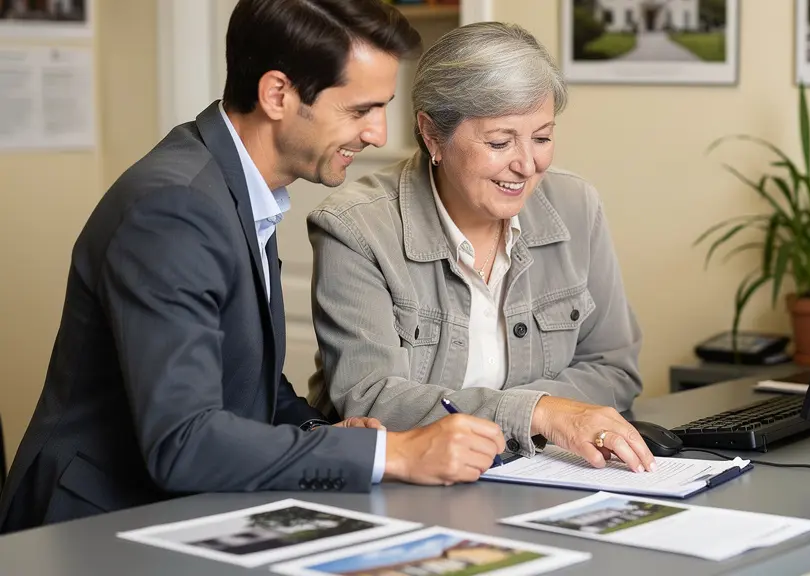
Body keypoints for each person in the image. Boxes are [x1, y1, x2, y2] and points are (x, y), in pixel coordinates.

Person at [0, 0, 506, 534]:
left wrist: (326, 433)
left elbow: (241, 374)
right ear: (277, 94)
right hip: (89, 529)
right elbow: (183, 442)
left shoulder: (232, 184)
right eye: (360, 110)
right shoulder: (174, 208)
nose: (378, 134)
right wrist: (394, 454)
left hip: (171, 513)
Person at [306, 22, 655, 473]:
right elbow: (372, 397)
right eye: (500, 142)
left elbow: (614, 368)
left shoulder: (576, 206)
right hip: (400, 484)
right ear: (432, 135)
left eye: (542, 138)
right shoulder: (355, 227)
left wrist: (548, 418)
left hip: (537, 474)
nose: (527, 165)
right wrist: (537, 413)